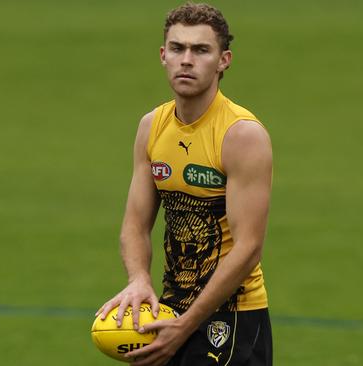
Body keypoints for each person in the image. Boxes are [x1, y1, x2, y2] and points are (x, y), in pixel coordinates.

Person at [95, 3, 273, 365]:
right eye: (177, 48)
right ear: (163, 55)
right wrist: (139, 279)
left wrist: (188, 324)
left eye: (201, 50)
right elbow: (134, 224)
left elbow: (249, 247)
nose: (186, 60)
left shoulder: (241, 135)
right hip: (170, 310)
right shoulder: (152, 127)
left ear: (224, 60)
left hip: (233, 318)